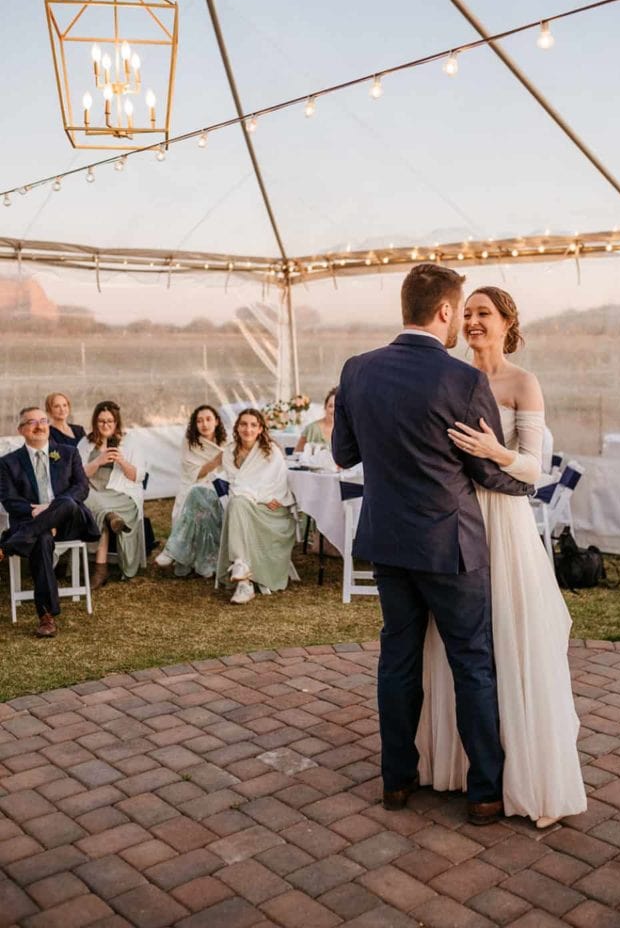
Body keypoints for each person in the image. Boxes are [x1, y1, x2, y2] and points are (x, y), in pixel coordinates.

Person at [332, 263, 532, 825]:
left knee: (397, 660)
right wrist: (525, 482)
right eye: (459, 310)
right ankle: (485, 793)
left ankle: (397, 780)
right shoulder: (464, 381)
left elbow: (344, 455)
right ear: (445, 311)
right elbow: (486, 468)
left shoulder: (357, 370)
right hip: (451, 546)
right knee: (473, 664)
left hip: (388, 542)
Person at [418, 286, 586, 829]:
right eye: (465, 313)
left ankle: (519, 770)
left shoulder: (522, 382)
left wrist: (496, 451)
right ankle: (461, 764)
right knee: (458, 644)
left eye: (482, 313)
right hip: (456, 522)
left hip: (506, 524)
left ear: (507, 321)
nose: (471, 321)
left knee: (510, 636)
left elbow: (536, 469)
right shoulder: (449, 378)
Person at [0, 406, 99, 637]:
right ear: (21, 430)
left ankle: (9, 545)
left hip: (69, 523)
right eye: (32, 422)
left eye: (43, 421)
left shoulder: (68, 452)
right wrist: (40, 517)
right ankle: (46, 616)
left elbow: (82, 488)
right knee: (42, 538)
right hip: (34, 525)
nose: (39, 426)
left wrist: (50, 509)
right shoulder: (8, 463)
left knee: (67, 503)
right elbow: (9, 500)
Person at [216, 408, 296, 604]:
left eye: (253, 425)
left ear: (260, 428)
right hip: (246, 504)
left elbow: (278, 484)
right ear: (237, 427)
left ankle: (242, 571)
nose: (248, 429)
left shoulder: (271, 451)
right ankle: (243, 578)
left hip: (270, 510)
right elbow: (236, 484)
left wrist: (259, 497)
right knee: (238, 503)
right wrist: (258, 496)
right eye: (243, 424)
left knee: (237, 504)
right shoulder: (229, 451)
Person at [77, 400, 146, 589]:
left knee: (101, 511)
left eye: (110, 421)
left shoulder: (130, 442)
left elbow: (137, 477)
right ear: (95, 422)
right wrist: (98, 461)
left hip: (120, 495)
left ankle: (100, 571)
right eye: (101, 421)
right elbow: (77, 476)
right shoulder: (86, 442)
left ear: (116, 422)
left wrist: (122, 461)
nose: (105, 425)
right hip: (92, 493)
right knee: (93, 502)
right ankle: (109, 517)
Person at [155, 404, 227, 577]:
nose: (204, 424)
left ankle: (175, 551)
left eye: (208, 419)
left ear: (216, 421)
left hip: (220, 486)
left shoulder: (228, 441)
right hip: (196, 482)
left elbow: (233, 469)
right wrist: (217, 460)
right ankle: (190, 558)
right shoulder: (189, 443)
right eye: (199, 421)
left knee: (199, 494)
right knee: (194, 493)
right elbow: (194, 473)